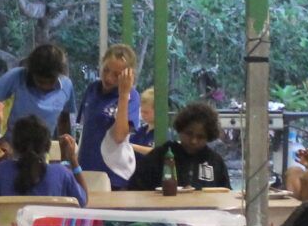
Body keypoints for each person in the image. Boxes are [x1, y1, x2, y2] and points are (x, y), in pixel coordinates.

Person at [0, 116, 86, 210]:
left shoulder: (2, 171)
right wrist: (73, 160)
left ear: (14, 146)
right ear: (48, 146)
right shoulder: (62, 173)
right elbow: (83, 200)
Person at [76, 44, 141, 188]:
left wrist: (124, 95)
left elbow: (119, 136)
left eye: (117, 75)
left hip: (114, 174)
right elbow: (84, 130)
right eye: (106, 70)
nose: (109, 78)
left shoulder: (132, 97)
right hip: (86, 170)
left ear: (128, 75)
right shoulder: (92, 89)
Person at [129, 102, 231, 192]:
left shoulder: (215, 162)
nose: (193, 141)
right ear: (180, 130)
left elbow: (226, 194)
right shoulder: (159, 156)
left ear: (209, 137)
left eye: (200, 137)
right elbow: (134, 189)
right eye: (189, 134)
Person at [0, 43, 75, 140]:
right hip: (12, 149)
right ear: (30, 73)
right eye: (40, 82)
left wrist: (66, 149)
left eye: (51, 81)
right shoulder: (16, 77)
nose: (46, 86)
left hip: (41, 151)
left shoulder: (66, 85)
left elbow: (64, 122)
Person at [132, 88, 157, 155]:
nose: (142, 115)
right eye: (141, 111)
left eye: (146, 112)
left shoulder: (162, 133)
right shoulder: (140, 131)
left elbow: (156, 151)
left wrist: (131, 146)